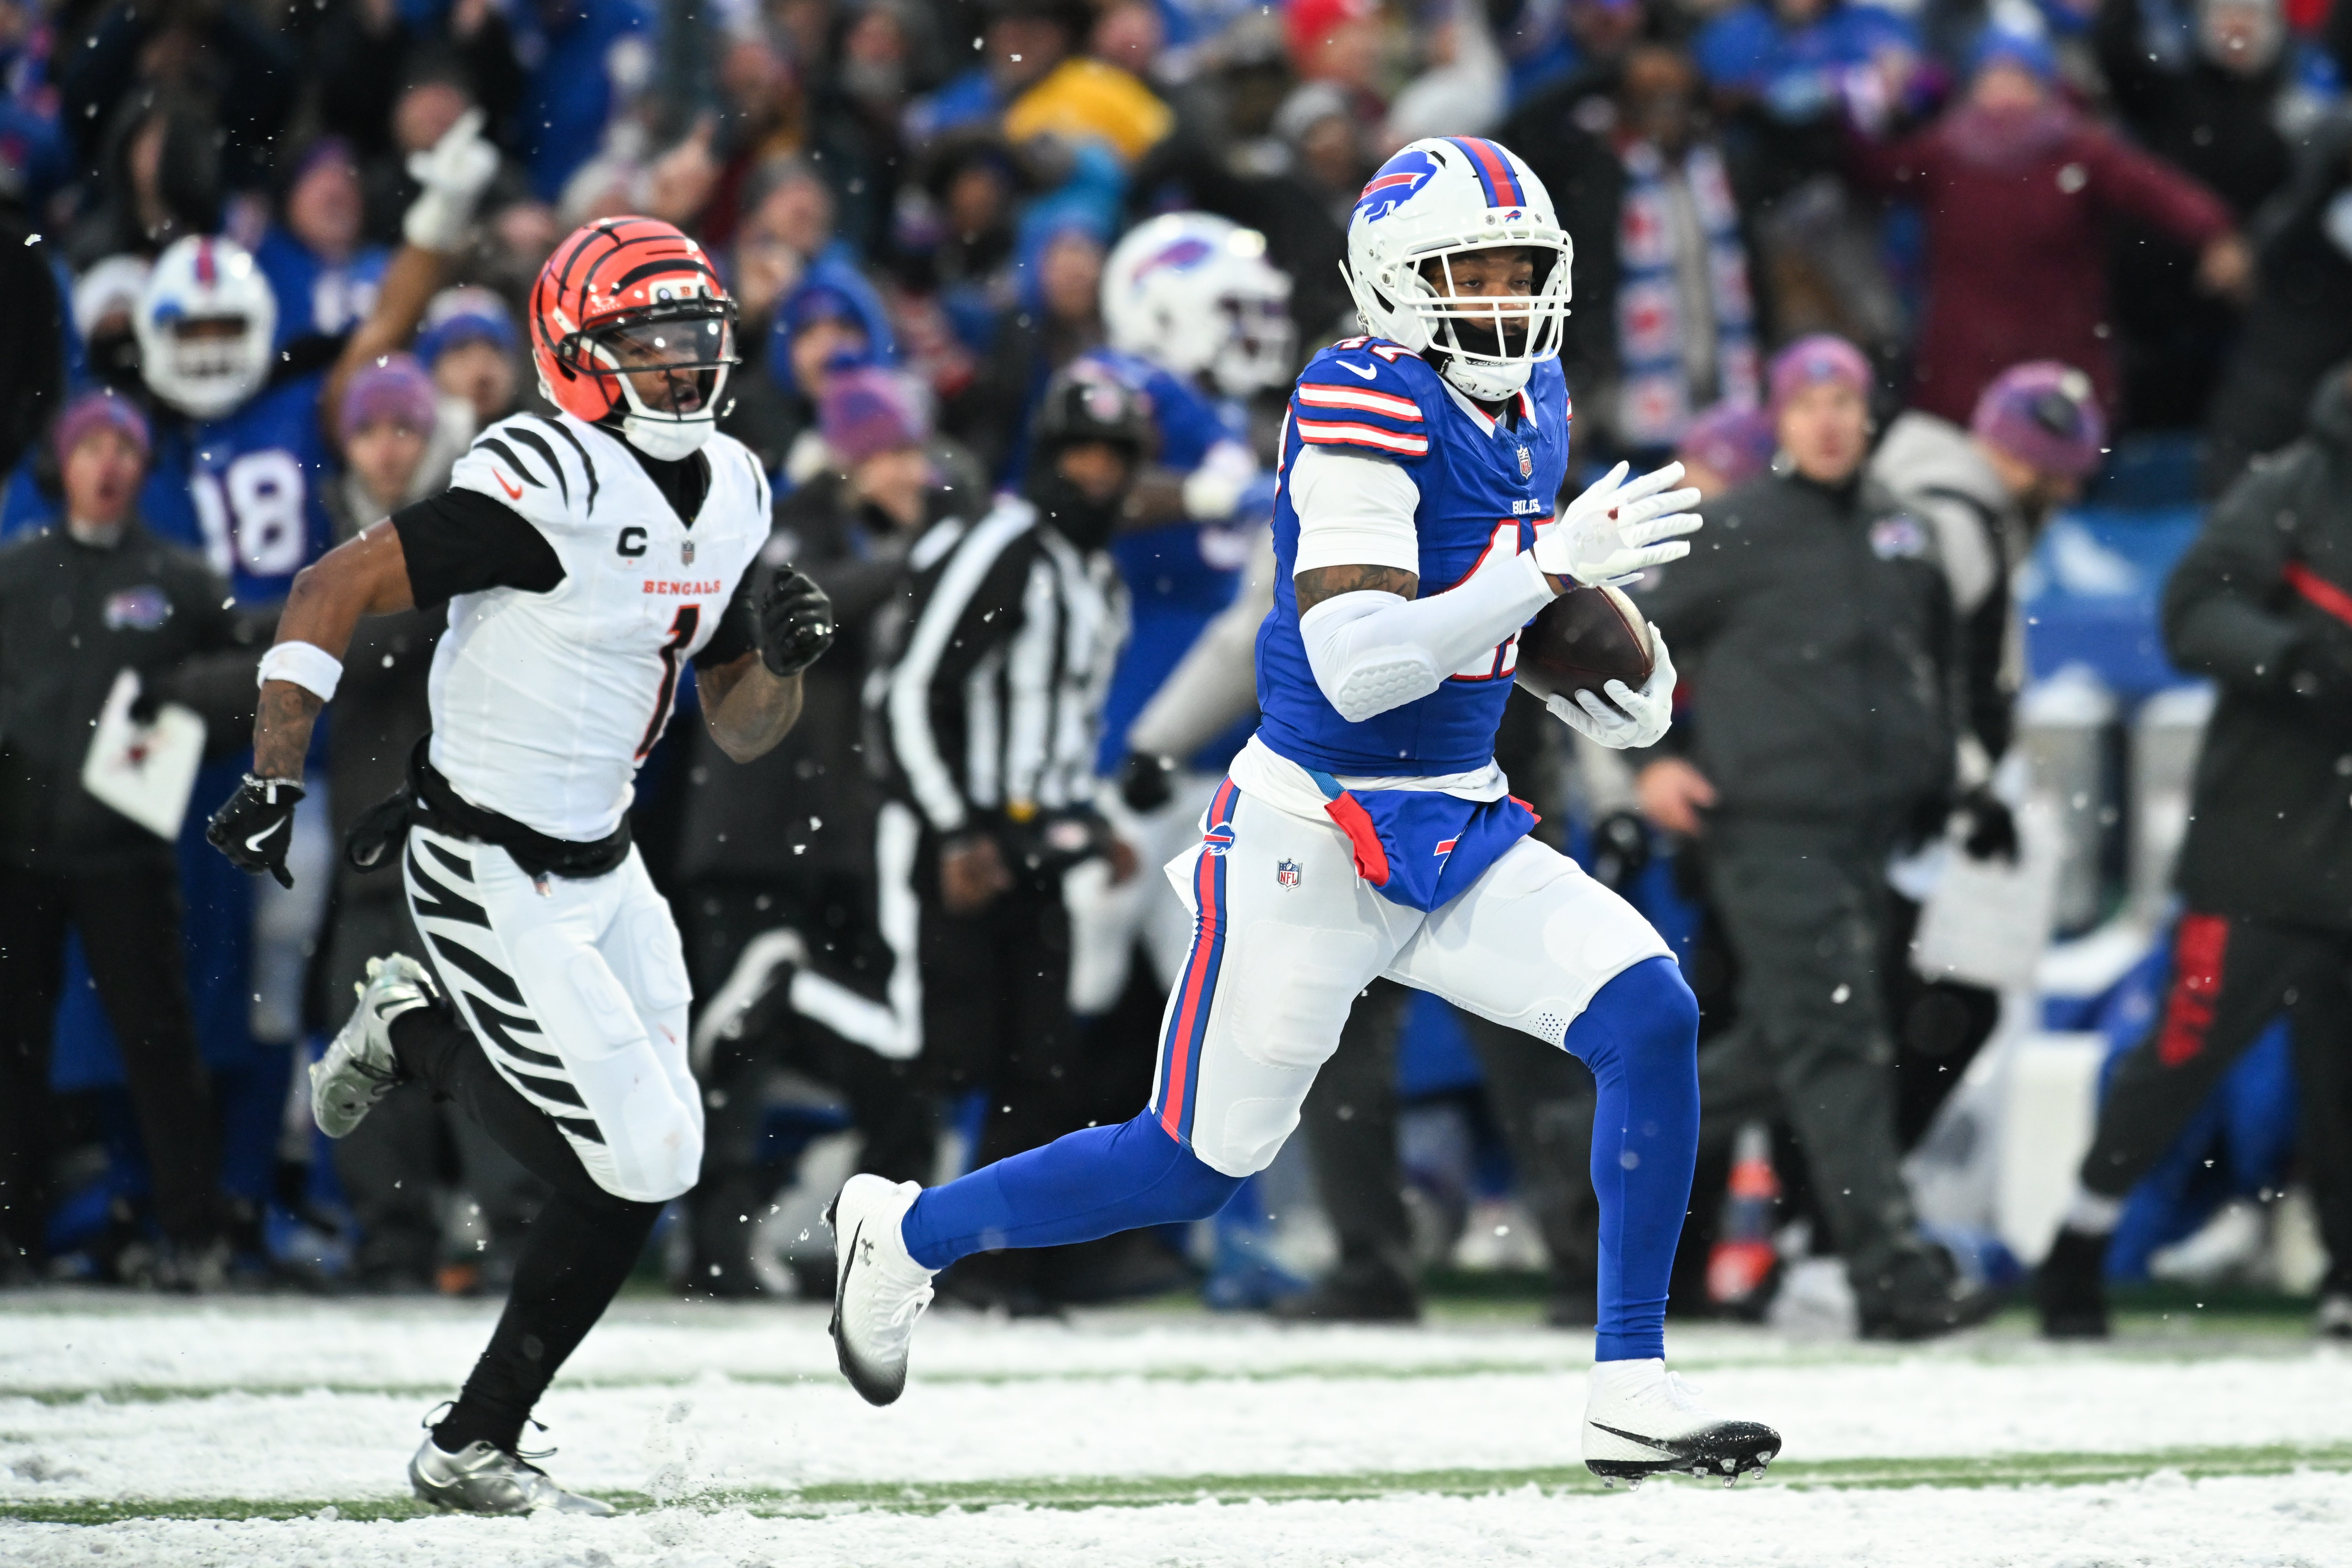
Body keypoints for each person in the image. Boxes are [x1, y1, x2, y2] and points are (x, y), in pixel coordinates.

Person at [829, 136, 1783, 1486]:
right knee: (1191, 1162)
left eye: (1527, 271)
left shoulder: (1535, 395)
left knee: (1650, 1012)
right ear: (1395, 283)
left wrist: (1614, 673)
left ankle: (1629, 1382)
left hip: (1456, 818)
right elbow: (1365, 660)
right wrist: (1546, 565)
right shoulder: (1358, 398)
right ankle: (907, 1234)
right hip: (1308, 834)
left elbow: (1499, 609)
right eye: (1475, 272)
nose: (1507, 300)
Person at [203, 216, 837, 1513]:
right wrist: (274, 774)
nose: (684, 367)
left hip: (605, 867)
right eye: (650, 342)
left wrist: (781, 657)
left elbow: (739, 722)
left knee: (665, 1152)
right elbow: (327, 586)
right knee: (639, 1153)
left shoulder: (734, 486)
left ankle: (472, 1435)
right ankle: (420, 1038)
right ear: (579, 355)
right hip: (477, 857)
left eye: (695, 338)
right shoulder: (542, 478)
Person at [1629, 334, 1996, 1339]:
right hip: (1768, 825)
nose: (1830, 420)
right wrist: (1645, 765)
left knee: (1796, 1045)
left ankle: (1589, 1149)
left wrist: (1952, 778)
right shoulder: (1738, 530)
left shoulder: (1903, 532)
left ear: (1868, 416)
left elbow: (1940, 672)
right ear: (1781, 423)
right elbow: (1614, 647)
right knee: (1838, 1040)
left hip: (1875, 834)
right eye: (1809, 403)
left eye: (1844, 401)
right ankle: (1890, 1276)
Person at [2038, 361, 2352, 1342]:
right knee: (2183, 1048)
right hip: (2266, 834)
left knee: (2345, 1078)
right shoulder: (2295, 488)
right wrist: (2297, 659)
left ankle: (2345, 1275)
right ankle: (2079, 1244)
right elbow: (2192, 612)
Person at [847, 365, 1145, 1312]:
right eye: (1079, 454)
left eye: (1113, 458)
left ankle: (995, 1265)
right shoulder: (1003, 545)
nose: (1094, 475)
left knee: (1041, 1068)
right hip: (951, 846)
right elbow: (903, 692)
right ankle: (875, 1250)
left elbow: (1061, 726)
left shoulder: (1097, 575)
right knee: (934, 1055)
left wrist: (1090, 818)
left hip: (1036, 854)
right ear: (1046, 458)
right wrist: (954, 829)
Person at [675, 365, 950, 1295]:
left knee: (872, 1046)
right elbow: (804, 607)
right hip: (753, 839)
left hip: (835, 847)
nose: (916, 471)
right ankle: (714, 1246)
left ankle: (860, 1238)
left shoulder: (884, 542)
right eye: (896, 452)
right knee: (731, 1057)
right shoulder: (785, 526)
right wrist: (929, 563)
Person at [0, 392, 262, 1287]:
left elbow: (254, 675)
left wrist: (185, 697)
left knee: (158, 1043)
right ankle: (17, 1231)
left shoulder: (181, 578)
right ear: (61, 465)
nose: (108, 463)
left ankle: (191, 1234)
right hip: (20, 853)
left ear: (144, 468)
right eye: (91, 446)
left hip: (126, 851)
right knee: (13, 1045)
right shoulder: (17, 574)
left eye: (124, 447)